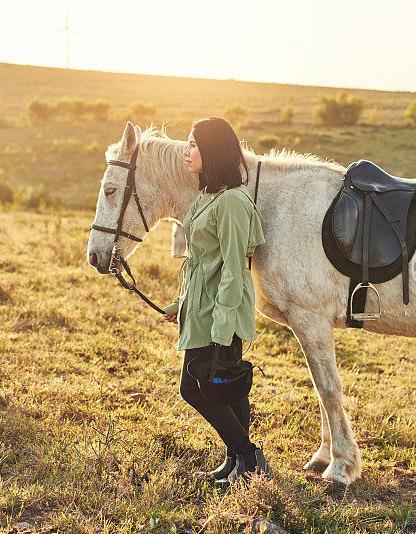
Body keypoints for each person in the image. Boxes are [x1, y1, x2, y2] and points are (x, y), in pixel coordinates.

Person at [161, 117, 269, 489]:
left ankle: (249, 457)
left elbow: (234, 267)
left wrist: (223, 326)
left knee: (194, 388)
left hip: (221, 312)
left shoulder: (233, 202)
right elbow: (202, 263)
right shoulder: (208, 197)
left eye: (193, 144)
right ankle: (235, 459)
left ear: (214, 150)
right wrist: (180, 303)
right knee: (229, 386)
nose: (186, 151)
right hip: (201, 308)